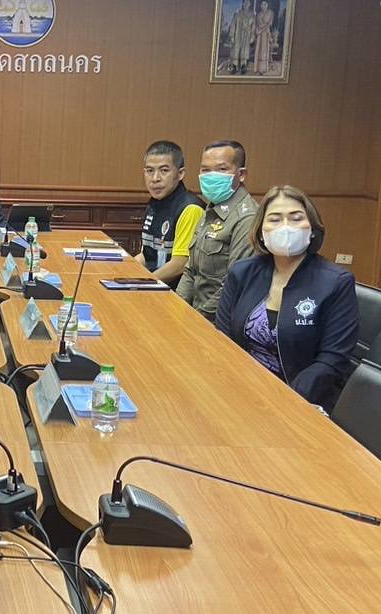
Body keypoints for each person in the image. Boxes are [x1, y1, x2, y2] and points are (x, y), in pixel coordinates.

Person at [216, 186, 359, 410]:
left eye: (296, 218)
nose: (285, 227)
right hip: (241, 391)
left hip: (302, 400)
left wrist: (284, 401)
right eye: (275, 219)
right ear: (261, 231)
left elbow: (332, 360)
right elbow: (223, 340)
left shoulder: (336, 283)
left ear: (312, 228)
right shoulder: (242, 273)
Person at [176, 139, 259, 319]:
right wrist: (176, 309)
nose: (212, 176)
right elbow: (191, 270)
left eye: (221, 169)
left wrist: (196, 319)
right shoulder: (212, 208)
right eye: (205, 170)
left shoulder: (247, 218)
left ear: (241, 174)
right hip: (194, 314)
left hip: (220, 321)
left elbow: (233, 284)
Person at [139, 140, 204, 285]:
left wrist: (141, 284)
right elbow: (147, 255)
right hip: (154, 285)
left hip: (175, 292)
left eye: (164, 171)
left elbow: (179, 264)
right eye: (150, 171)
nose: (155, 179)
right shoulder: (154, 204)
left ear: (180, 174)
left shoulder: (190, 208)